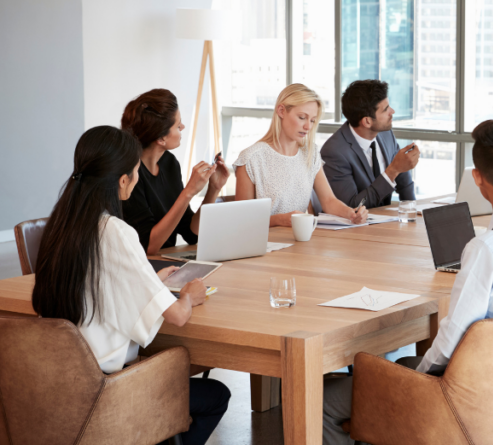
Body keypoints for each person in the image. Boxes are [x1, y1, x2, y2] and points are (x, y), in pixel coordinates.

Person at [322, 120, 493, 445]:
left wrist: (417, 381)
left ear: (477, 178)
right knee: (403, 366)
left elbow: (451, 339)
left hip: (465, 403)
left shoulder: (486, 250)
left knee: (324, 400)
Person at [31, 126, 230, 445]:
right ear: (123, 180)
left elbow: (101, 283)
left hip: (57, 384)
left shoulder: (61, 223)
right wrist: (191, 296)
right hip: (108, 390)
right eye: (136, 173)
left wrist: (151, 281)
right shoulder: (115, 231)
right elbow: (178, 315)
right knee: (216, 395)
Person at [234, 83, 368, 226]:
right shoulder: (251, 158)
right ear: (281, 111)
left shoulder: (310, 154)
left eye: (312, 120)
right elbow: (243, 220)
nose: (308, 126)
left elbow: (328, 201)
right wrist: (280, 220)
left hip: (301, 241)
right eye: (302, 117)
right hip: (265, 244)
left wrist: (351, 214)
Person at [121, 89, 230, 255]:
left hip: (166, 263)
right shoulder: (130, 176)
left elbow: (191, 233)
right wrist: (188, 193)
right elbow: (148, 246)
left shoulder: (169, 163)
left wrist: (213, 188)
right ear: (161, 138)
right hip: (145, 267)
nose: (183, 127)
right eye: (178, 125)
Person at [321, 80, 418, 208]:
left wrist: (413, 212)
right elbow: (352, 206)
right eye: (385, 109)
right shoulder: (334, 152)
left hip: (387, 223)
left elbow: (403, 177)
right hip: (356, 226)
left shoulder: (385, 134)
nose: (392, 111)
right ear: (367, 121)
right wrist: (392, 171)